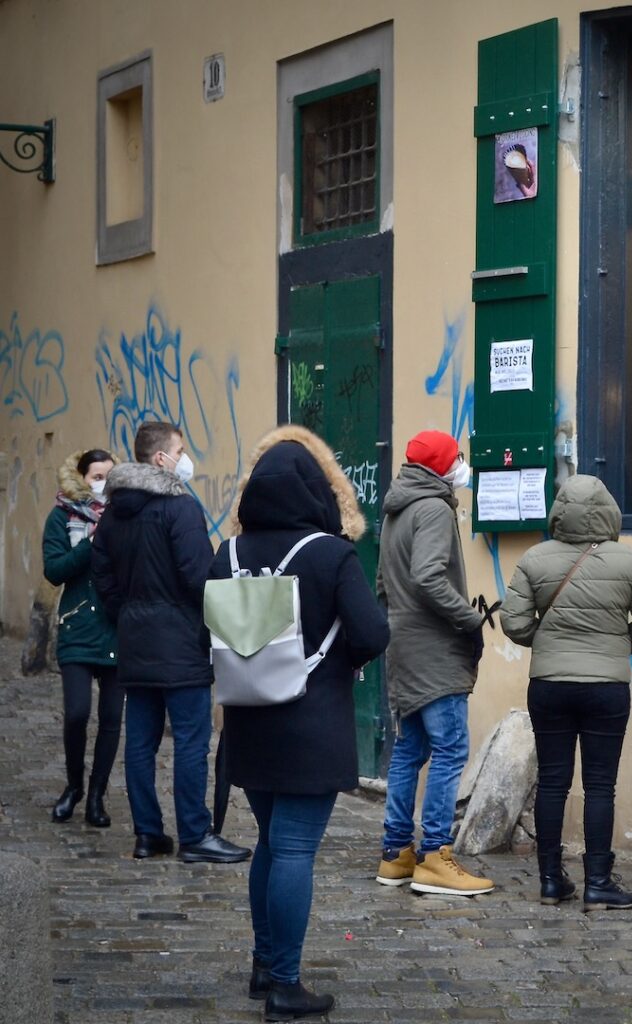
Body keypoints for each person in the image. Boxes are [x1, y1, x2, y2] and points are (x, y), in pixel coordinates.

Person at [209, 425, 389, 1021]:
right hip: (311, 724)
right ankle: (285, 985)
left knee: (270, 840)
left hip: (247, 720)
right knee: (292, 849)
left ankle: (264, 964)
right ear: (317, 490)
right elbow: (370, 633)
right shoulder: (329, 553)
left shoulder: (227, 552)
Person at [500, 474, 632, 911]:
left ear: (559, 512)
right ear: (609, 510)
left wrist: (552, 645)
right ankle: (598, 882)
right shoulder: (628, 561)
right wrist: (613, 648)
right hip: (606, 690)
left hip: (549, 687)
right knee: (600, 786)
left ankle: (551, 881)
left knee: (553, 782)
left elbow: (514, 623)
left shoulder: (533, 560)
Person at [91, 421, 250, 864]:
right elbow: (199, 576)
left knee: (140, 741)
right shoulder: (179, 508)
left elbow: (101, 575)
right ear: (160, 458)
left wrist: (125, 613)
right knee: (190, 740)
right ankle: (195, 835)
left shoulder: (114, 512)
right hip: (180, 641)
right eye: (179, 449)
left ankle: (148, 833)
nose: (185, 457)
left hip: (135, 640)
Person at [374, 430, 493, 896]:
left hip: (403, 644)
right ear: (443, 464)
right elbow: (428, 577)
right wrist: (469, 620)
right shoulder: (435, 509)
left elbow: (385, 582)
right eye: (458, 457)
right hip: (435, 650)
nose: (462, 465)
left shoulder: (396, 509)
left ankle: (396, 854)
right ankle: (436, 856)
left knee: (409, 749)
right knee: (449, 750)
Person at [42, 448, 124, 827]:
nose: (103, 482)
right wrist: (91, 544)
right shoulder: (61, 518)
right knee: (77, 713)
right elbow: (54, 570)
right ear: (81, 478)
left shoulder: (125, 518)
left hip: (116, 629)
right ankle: (73, 785)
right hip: (77, 627)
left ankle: (96, 796)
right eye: (96, 476)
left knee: (111, 718)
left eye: (109, 475)